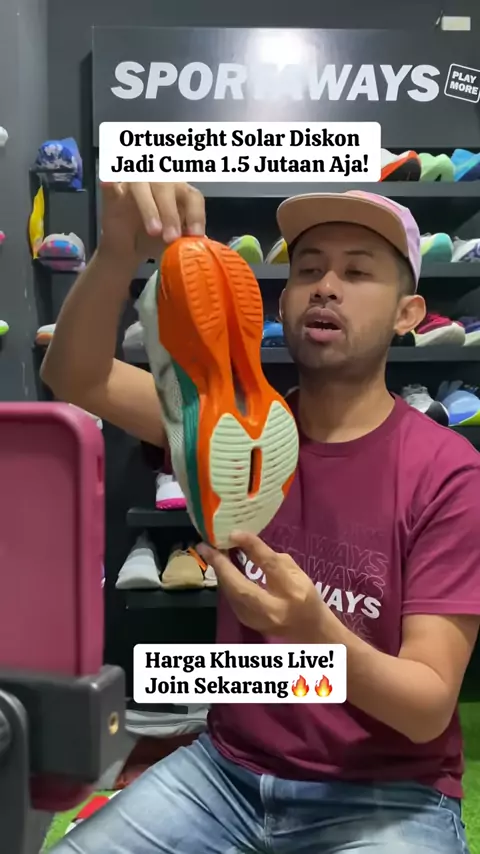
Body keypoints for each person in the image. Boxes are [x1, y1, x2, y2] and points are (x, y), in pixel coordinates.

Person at [42, 182, 480, 854]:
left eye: (357, 271)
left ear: (408, 314)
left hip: (388, 792)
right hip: (226, 774)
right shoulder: (227, 429)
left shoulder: (449, 472)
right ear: (282, 304)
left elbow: (427, 708)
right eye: (309, 270)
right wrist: (117, 250)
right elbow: (76, 375)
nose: (326, 286)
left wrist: (315, 632)